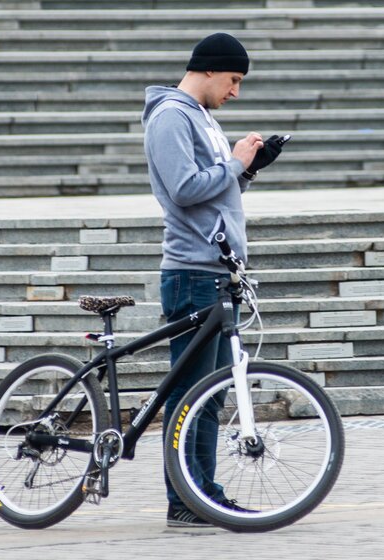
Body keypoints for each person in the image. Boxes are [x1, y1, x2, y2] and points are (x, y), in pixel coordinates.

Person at [141, 33, 283, 527]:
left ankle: (201, 493)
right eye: (234, 80)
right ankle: (187, 499)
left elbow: (213, 187)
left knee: (211, 393)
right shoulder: (171, 116)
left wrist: (247, 170)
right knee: (192, 395)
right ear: (210, 69)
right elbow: (183, 190)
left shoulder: (200, 117)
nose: (236, 91)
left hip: (217, 272)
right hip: (191, 273)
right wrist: (236, 162)